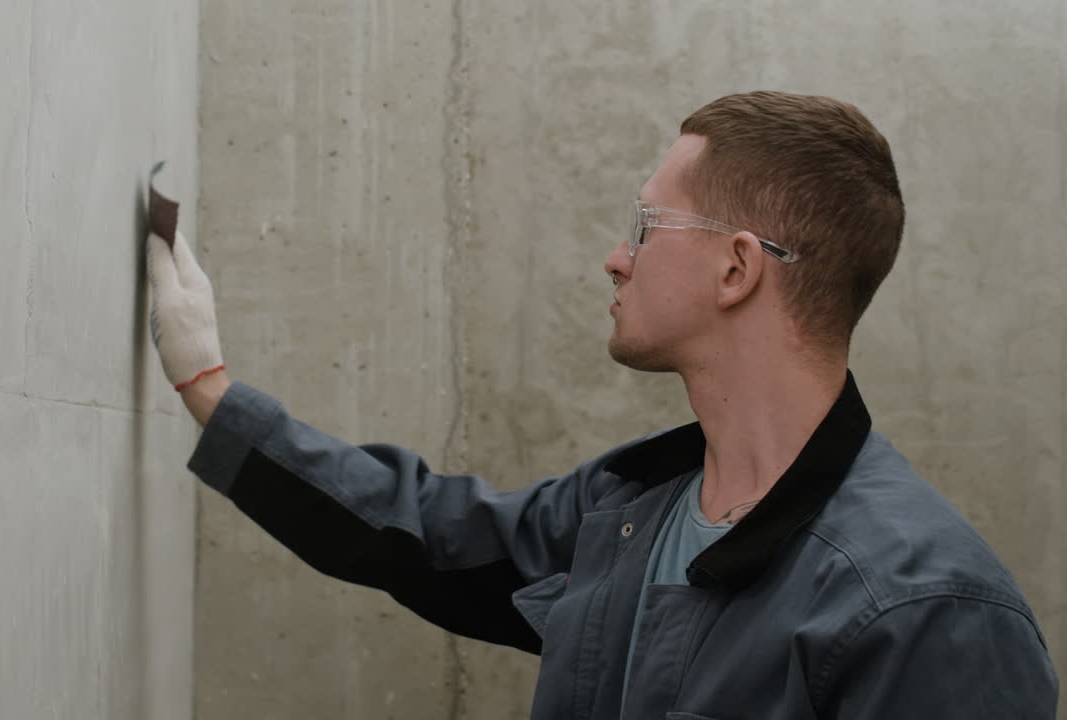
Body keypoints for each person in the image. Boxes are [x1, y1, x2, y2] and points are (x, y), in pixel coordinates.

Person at [144, 91, 1058, 718]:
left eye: (645, 228)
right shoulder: (629, 511)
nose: (617, 258)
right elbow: (421, 532)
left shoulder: (928, 608)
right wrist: (208, 390)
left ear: (737, 268)